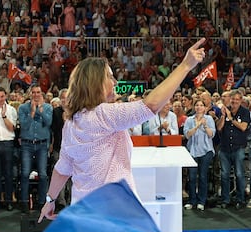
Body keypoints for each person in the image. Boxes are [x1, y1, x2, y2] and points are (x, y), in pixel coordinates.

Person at [38, 38, 206, 222]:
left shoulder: (71, 122)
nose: (116, 82)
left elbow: (62, 169)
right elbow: (151, 105)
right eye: (110, 76)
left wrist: (50, 199)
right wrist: (185, 66)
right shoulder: (106, 115)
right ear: (96, 82)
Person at [18, 84, 53, 213]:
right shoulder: (22, 108)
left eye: (38, 92)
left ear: (41, 94)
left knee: (43, 175)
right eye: (33, 92)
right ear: (30, 94)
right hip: (27, 144)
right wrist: (32, 113)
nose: (36, 95)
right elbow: (24, 125)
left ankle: (41, 202)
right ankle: (24, 202)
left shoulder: (48, 107)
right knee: (25, 173)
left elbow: (48, 122)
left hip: (42, 144)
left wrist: (40, 110)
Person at [216, 89, 250, 210]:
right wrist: (223, 117)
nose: (234, 101)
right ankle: (226, 199)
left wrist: (230, 118)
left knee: (239, 174)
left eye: (237, 99)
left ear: (241, 100)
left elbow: (243, 127)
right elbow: (219, 128)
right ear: (230, 99)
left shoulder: (245, 112)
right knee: (224, 175)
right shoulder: (224, 110)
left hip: (238, 147)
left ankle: (240, 200)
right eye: (233, 99)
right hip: (224, 148)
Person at [183, 99, 216, 211]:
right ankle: (192, 201)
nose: (199, 107)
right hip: (193, 151)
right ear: (194, 107)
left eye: (201, 105)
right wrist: (196, 126)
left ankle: (201, 201)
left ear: (205, 108)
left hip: (206, 151)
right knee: (192, 177)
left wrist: (205, 125)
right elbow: (187, 135)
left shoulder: (209, 119)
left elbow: (212, 135)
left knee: (202, 176)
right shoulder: (189, 120)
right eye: (197, 105)